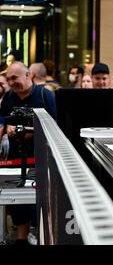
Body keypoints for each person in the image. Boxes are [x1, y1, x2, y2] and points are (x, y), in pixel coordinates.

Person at [0, 61, 56, 244]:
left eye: (14, 78)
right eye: (8, 79)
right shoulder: (8, 98)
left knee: (40, 206)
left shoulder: (45, 95)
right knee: (19, 207)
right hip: (16, 161)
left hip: (41, 159)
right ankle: (20, 239)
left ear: (28, 75)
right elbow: (3, 122)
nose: (11, 82)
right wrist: (7, 127)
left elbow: (56, 128)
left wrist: (28, 131)